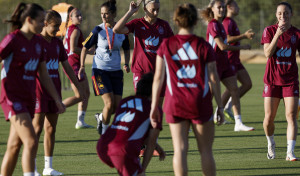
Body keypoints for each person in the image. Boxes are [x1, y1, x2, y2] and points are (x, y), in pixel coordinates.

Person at [150, 3, 224, 176]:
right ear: (195, 21)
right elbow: (214, 78)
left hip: (175, 102)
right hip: (200, 101)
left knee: (180, 150)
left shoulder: (166, 44)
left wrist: (154, 106)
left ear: (176, 21)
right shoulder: (203, 45)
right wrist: (220, 106)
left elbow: (158, 78)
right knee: (205, 151)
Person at [0, 3, 65, 176]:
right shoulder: (12, 40)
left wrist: (57, 99)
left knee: (14, 146)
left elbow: (44, 74)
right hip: (12, 98)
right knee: (31, 140)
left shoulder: (37, 43)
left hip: (27, 98)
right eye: (40, 21)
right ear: (29, 20)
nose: (43, 24)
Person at [32, 10, 85, 176]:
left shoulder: (57, 43)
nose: (58, 30)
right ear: (45, 24)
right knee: (37, 129)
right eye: (55, 26)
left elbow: (67, 67)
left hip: (55, 90)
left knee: (51, 129)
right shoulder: (35, 42)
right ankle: (31, 168)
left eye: (59, 26)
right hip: (38, 91)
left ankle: (48, 167)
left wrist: (79, 87)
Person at [97, 73, 165, 176]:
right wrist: (142, 169)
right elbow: (150, 142)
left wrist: (157, 146)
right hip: (122, 150)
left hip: (103, 145)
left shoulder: (125, 101)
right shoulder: (154, 109)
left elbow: (124, 130)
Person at [201, 0, 254, 131]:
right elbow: (222, 46)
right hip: (214, 64)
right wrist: (243, 46)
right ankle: (195, 119)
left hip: (225, 64)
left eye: (223, 7)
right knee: (210, 95)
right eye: (219, 7)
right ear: (212, 9)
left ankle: (238, 123)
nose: (222, 10)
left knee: (234, 89)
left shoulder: (220, 24)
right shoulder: (212, 24)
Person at [80, 0, 130, 135]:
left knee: (116, 107)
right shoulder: (98, 29)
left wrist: (127, 63)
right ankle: (105, 134)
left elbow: (126, 48)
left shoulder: (122, 30)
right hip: (100, 71)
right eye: (102, 14)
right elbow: (84, 48)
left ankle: (100, 118)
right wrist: (82, 66)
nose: (103, 16)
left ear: (113, 14)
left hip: (116, 72)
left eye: (106, 14)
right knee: (109, 104)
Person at [113, 0, 174, 107]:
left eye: (157, 9)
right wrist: (130, 12)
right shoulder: (137, 23)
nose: (156, 13)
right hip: (140, 72)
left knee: (157, 107)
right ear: (145, 9)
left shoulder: (164, 25)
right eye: (153, 10)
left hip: (159, 72)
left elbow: (173, 47)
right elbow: (116, 29)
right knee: (142, 104)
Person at [261, 2, 300, 161]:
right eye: (279, 13)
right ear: (276, 15)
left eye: (285, 13)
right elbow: (268, 54)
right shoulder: (269, 31)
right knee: (269, 118)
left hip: (290, 81)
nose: (282, 16)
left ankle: (290, 152)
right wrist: (277, 34)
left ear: (291, 14)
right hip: (271, 81)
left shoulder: (297, 34)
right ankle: (271, 143)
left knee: (291, 116)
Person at [221, 0, 255, 121]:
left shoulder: (232, 21)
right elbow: (227, 39)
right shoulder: (226, 22)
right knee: (231, 88)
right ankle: (218, 112)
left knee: (247, 84)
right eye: (236, 5)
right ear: (229, 7)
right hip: (229, 60)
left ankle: (228, 107)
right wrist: (244, 36)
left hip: (236, 60)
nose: (238, 7)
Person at [63, 6, 92, 129]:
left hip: (71, 63)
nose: (80, 17)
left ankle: (80, 121)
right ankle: (56, 107)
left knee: (85, 93)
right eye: (77, 15)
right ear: (71, 17)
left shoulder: (70, 29)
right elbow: (73, 49)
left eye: (81, 15)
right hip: (73, 64)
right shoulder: (75, 30)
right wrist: (88, 51)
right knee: (81, 95)